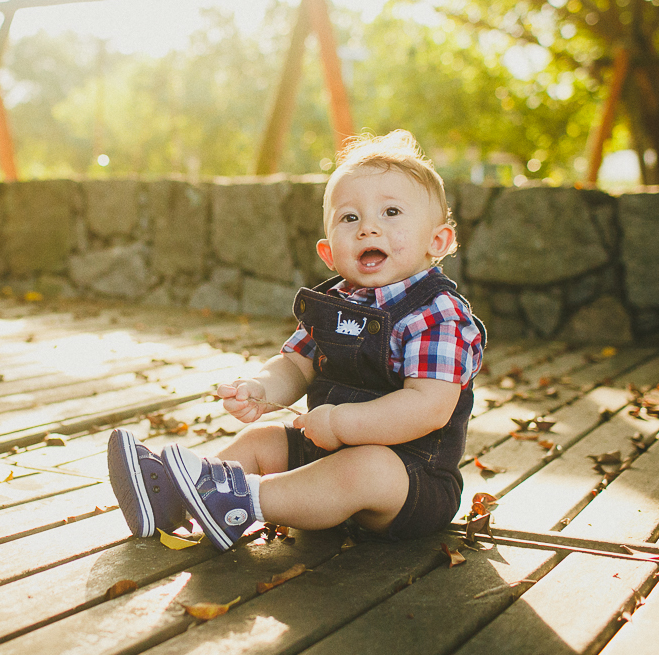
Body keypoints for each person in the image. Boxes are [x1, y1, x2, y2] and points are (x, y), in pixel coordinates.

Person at [108, 129, 485, 551]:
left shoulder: (437, 313)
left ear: (438, 242)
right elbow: (294, 365)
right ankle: (172, 502)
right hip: (324, 449)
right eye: (350, 218)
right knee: (261, 441)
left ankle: (240, 504)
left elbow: (429, 407)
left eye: (392, 212)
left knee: (365, 467)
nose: (368, 229)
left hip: (408, 481)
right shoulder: (333, 304)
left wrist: (343, 424)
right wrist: (262, 389)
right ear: (328, 252)